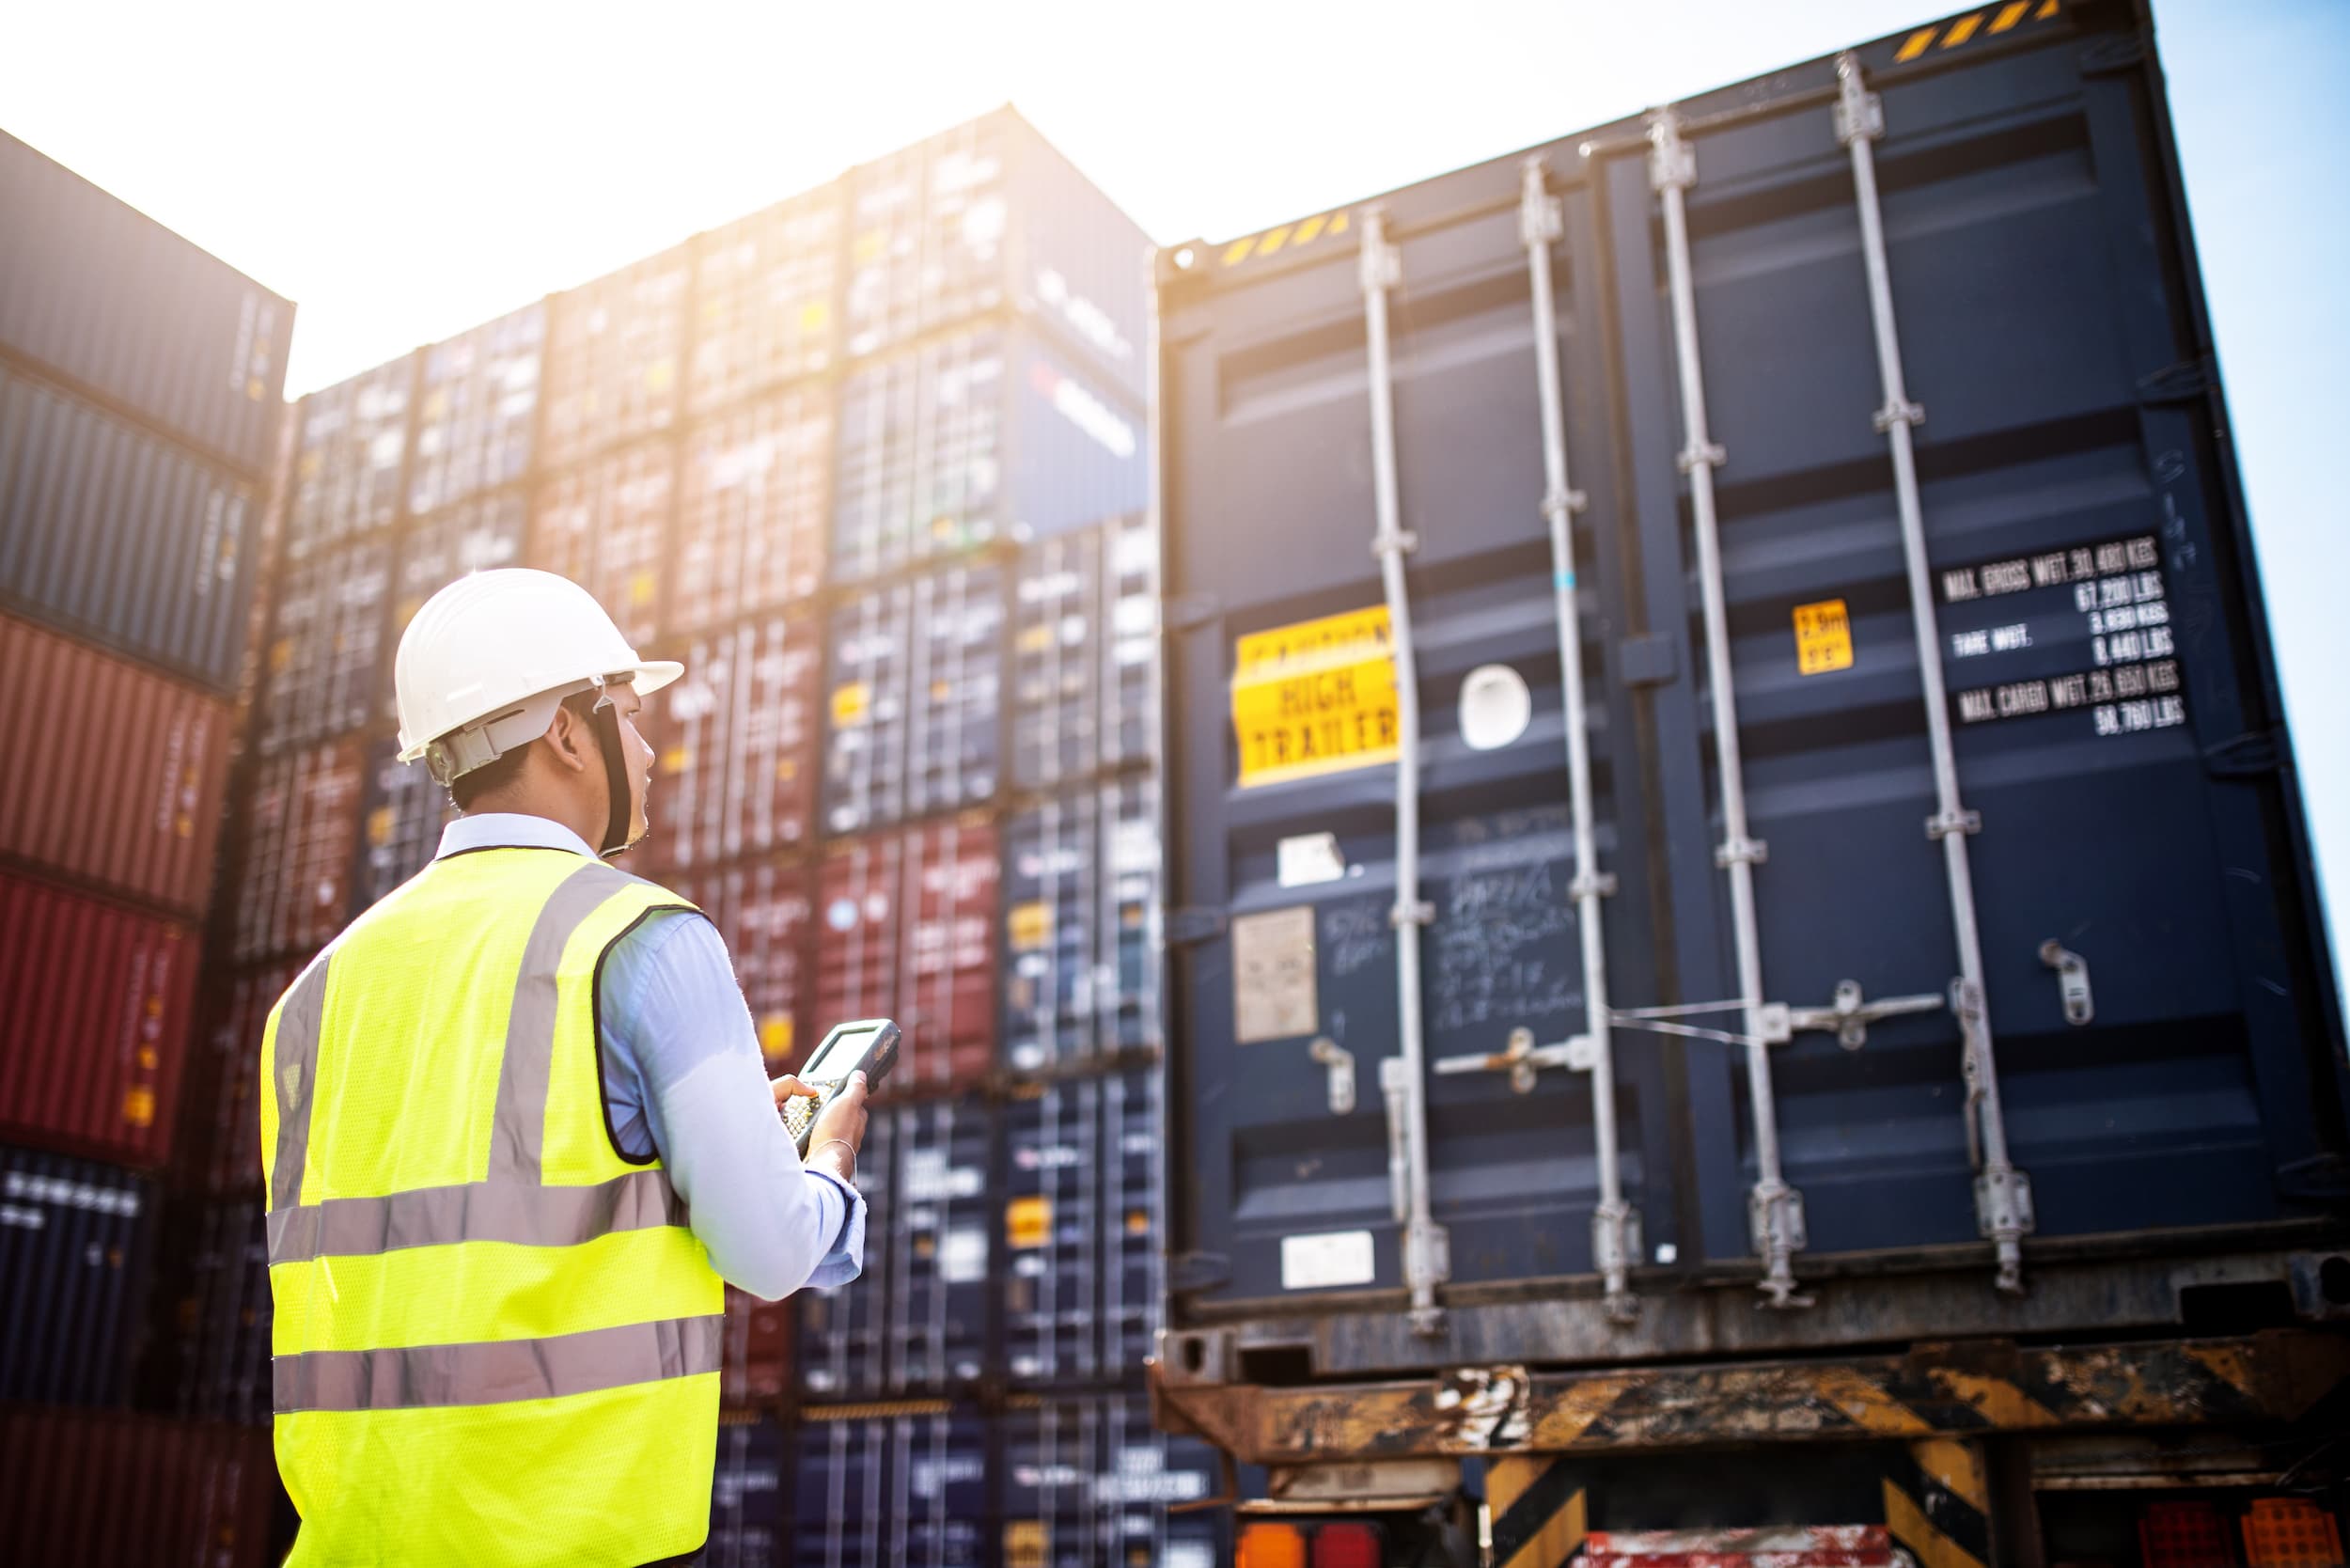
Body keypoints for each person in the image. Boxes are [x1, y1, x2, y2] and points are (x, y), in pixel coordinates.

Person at [258, 568, 869, 1567]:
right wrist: (826, 1166)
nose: (650, 751)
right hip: (562, 1542)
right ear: (566, 734)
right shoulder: (642, 938)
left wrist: (683, 1152)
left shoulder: (310, 999)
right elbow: (768, 1249)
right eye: (628, 714)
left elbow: (457, 1219)